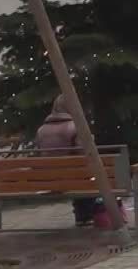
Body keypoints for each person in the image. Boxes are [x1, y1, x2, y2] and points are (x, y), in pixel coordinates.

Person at [35, 95, 96, 226]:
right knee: (87, 175)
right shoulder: (76, 127)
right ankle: (85, 215)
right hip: (72, 179)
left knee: (77, 174)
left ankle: (82, 216)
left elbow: (40, 153)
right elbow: (84, 155)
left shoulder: (41, 130)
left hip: (48, 180)